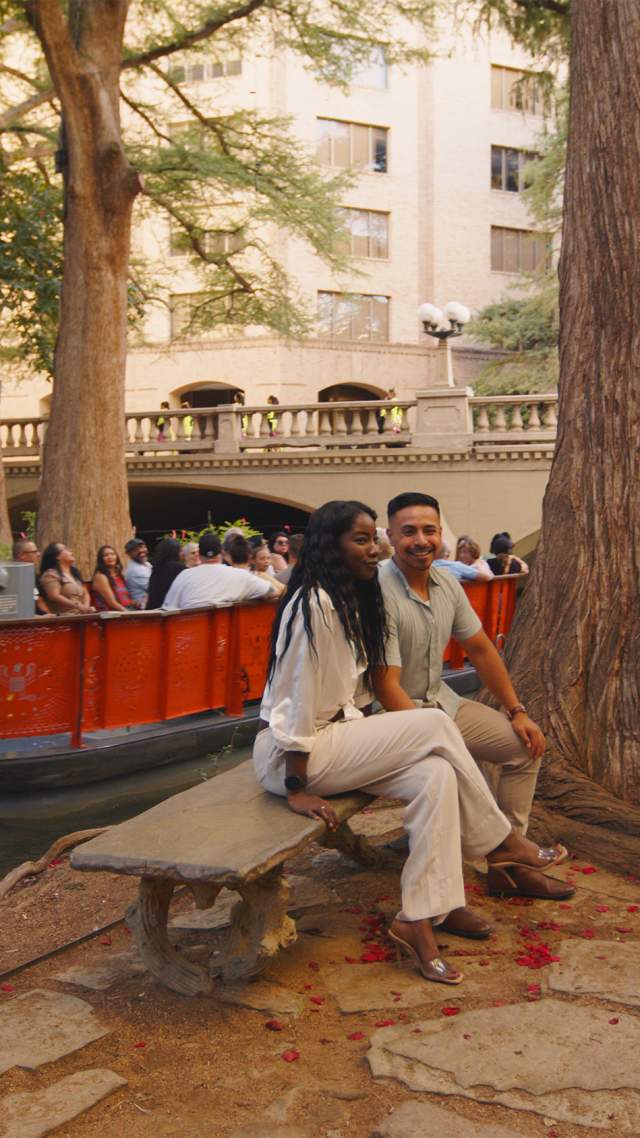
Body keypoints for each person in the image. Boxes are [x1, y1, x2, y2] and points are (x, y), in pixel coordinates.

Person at [254, 500, 567, 985]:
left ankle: (421, 917)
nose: (373, 549)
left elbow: (478, 647)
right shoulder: (312, 603)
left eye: (371, 538)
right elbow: (294, 699)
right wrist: (296, 786)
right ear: (328, 545)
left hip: (339, 738)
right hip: (296, 754)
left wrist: (515, 710)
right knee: (434, 725)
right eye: (362, 540)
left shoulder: (349, 597)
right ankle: (504, 843)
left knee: (436, 776)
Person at [372, 492, 574, 901]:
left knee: (524, 746)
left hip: (440, 702)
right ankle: (505, 855)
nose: (420, 540)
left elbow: (481, 649)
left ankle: (509, 865)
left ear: (440, 534)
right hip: (390, 718)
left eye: (429, 530)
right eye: (408, 531)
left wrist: (516, 710)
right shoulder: (375, 590)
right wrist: (429, 734)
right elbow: (382, 684)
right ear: (391, 536)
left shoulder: (447, 582)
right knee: (451, 771)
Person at [162, 532, 276, 609]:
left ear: (200, 555)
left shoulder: (184, 576)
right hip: (226, 640)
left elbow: (168, 608)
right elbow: (272, 592)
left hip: (189, 639)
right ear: (222, 553)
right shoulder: (240, 575)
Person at [38, 543, 94, 614]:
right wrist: (78, 606)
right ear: (58, 556)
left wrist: (86, 607)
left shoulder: (75, 572)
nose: (70, 551)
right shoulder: (50, 574)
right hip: (64, 618)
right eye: (66, 549)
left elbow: (86, 593)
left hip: (82, 615)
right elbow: (54, 596)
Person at [13, 538, 50, 614]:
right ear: (22, 555)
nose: (38, 554)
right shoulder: (11, 574)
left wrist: (50, 617)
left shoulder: (31, 573)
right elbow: (38, 600)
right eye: (34, 552)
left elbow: (37, 597)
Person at [91, 546, 133, 612]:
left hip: (127, 609)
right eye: (105, 555)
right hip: (112, 614)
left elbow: (126, 597)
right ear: (101, 559)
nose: (110, 557)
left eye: (112, 554)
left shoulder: (119, 574)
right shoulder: (100, 576)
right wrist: (129, 614)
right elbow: (112, 603)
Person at [146, 538, 185, 609]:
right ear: (175, 552)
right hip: (167, 612)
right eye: (180, 551)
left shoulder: (156, 568)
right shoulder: (178, 568)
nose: (183, 554)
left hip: (153, 610)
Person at [123, 538, 152, 608]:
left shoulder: (146, 564)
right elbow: (155, 588)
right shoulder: (136, 570)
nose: (141, 550)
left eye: (142, 547)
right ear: (128, 554)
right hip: (143, 609)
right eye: (135, 549)